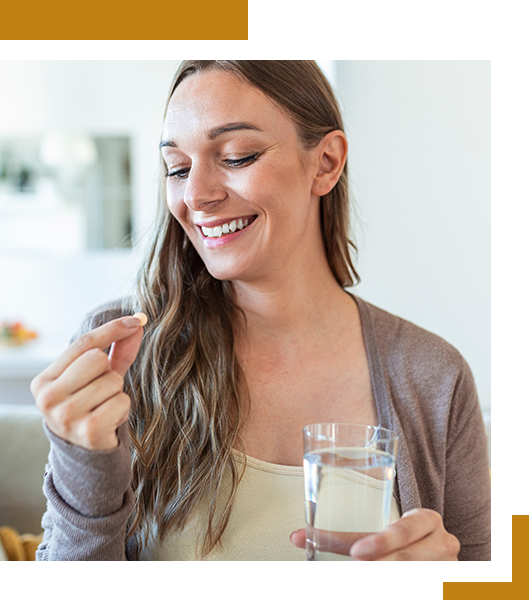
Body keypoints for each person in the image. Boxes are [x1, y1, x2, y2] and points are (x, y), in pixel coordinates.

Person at [32, 60, 490, 561]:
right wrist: (86, 473)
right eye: (177, 168)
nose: (197, 196)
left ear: (326, 162)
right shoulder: (122, 354)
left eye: (236, 156)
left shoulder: (435, 378)